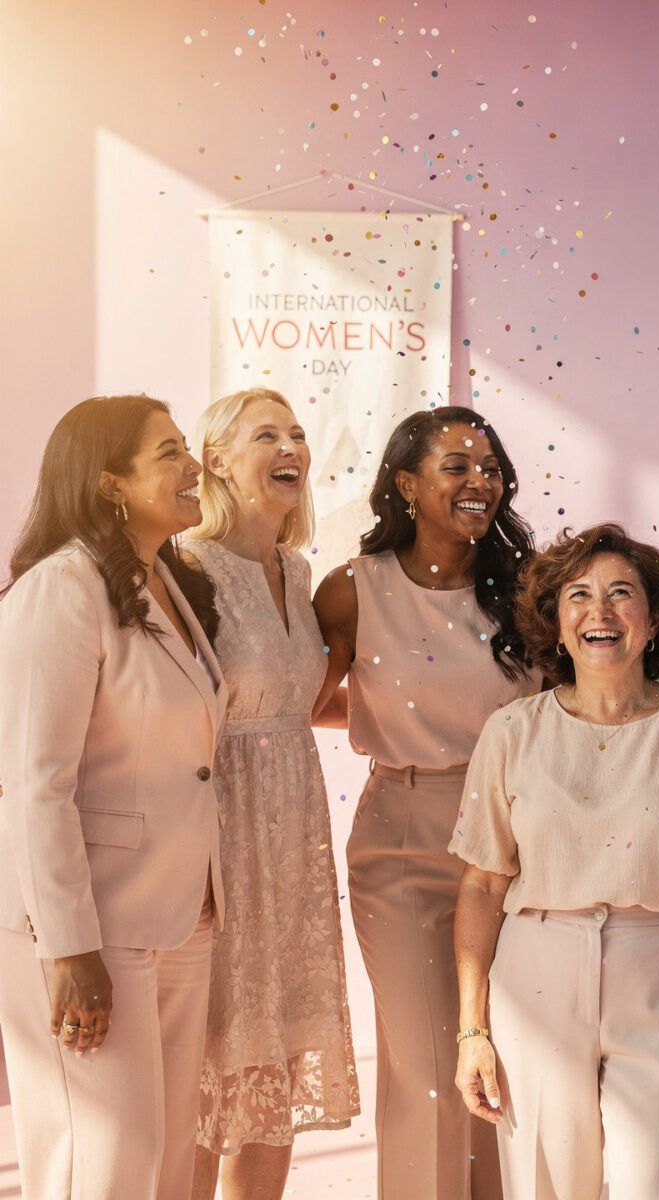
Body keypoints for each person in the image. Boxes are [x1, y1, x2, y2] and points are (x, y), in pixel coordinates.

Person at [451, 523, 659, 1199]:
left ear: (653, 623)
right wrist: (472, 1030)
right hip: (535, 979)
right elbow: (482, 885)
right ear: (556, 624)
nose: (599, 610)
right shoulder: (510, 732)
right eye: (579, 595)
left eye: (621, 593)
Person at [0, 395, 227, 1200]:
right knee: (104, 1165)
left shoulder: (167, 580)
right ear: (109, 483)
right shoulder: (59, 590)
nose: (193, 466)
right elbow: (36, 784)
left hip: (180, 916)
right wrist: (68, 950)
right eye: (169, 453)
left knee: (164, 1165)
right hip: (92, 926)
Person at [313, 405, 534, 1200]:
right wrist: (387, 721)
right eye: (458, 466)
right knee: (431, 1069)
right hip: (402, 840)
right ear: (406, 484)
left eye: (491, 468)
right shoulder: (351, 590)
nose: (481, 482)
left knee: (506, 1064)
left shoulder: (530, 590)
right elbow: (302, 699)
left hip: (520, 840)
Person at [187, 388, 359, 1200]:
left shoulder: (299, 570)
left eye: (296, 433)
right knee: (204, 1055)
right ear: (218, 461)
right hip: (218, 823)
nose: (291, 447)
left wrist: (449, 726)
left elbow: (304, 703)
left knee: (277, 1053)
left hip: (294, 829)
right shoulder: (185, 566)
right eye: (267, 435)